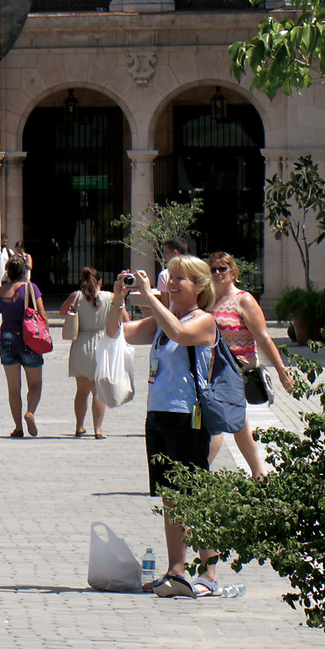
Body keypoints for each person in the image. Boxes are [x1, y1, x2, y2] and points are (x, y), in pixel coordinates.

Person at [108, 257, 220, 598]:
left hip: (188, 415)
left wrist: (150, 297)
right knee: (170, 498)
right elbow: (117, 333)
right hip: (157, 415)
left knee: (195, 497)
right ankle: (176, 570)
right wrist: (118, 298)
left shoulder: (204, 321)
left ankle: (210, 574)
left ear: (199, 287)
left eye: (179, 280)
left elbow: (179, 332)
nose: (170, 284)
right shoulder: (161, 320)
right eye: (169, 278)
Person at [204, 253, 294, 480]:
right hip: (210, 370)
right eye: (213, 269)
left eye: (222, 268)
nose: (217, 273)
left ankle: (199, 472)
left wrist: (282, 372)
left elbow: (264, 338)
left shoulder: (243, 300)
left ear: (233, 272)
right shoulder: (207, 300)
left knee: (216, 421)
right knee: (238, 424)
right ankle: (258, 473)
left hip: (235, 371)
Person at [0, 256, 46, 437]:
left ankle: (18, 427)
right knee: (35, 384)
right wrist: (46, 337)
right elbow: (42, 315)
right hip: (30, 339)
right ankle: (30, 412)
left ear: (8, 272)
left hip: (7, 340)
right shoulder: (31, 288)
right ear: (24, 272)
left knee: (13, 388)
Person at [64, 267, 118, 440]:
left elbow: (61, 311)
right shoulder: (109, 297)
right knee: (98, 391)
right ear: (100, 282)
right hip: (101, 343)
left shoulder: (77, 296)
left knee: (81, 391)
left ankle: (79, 426)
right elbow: (124, 317)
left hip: (81, 343)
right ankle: (98, 429)